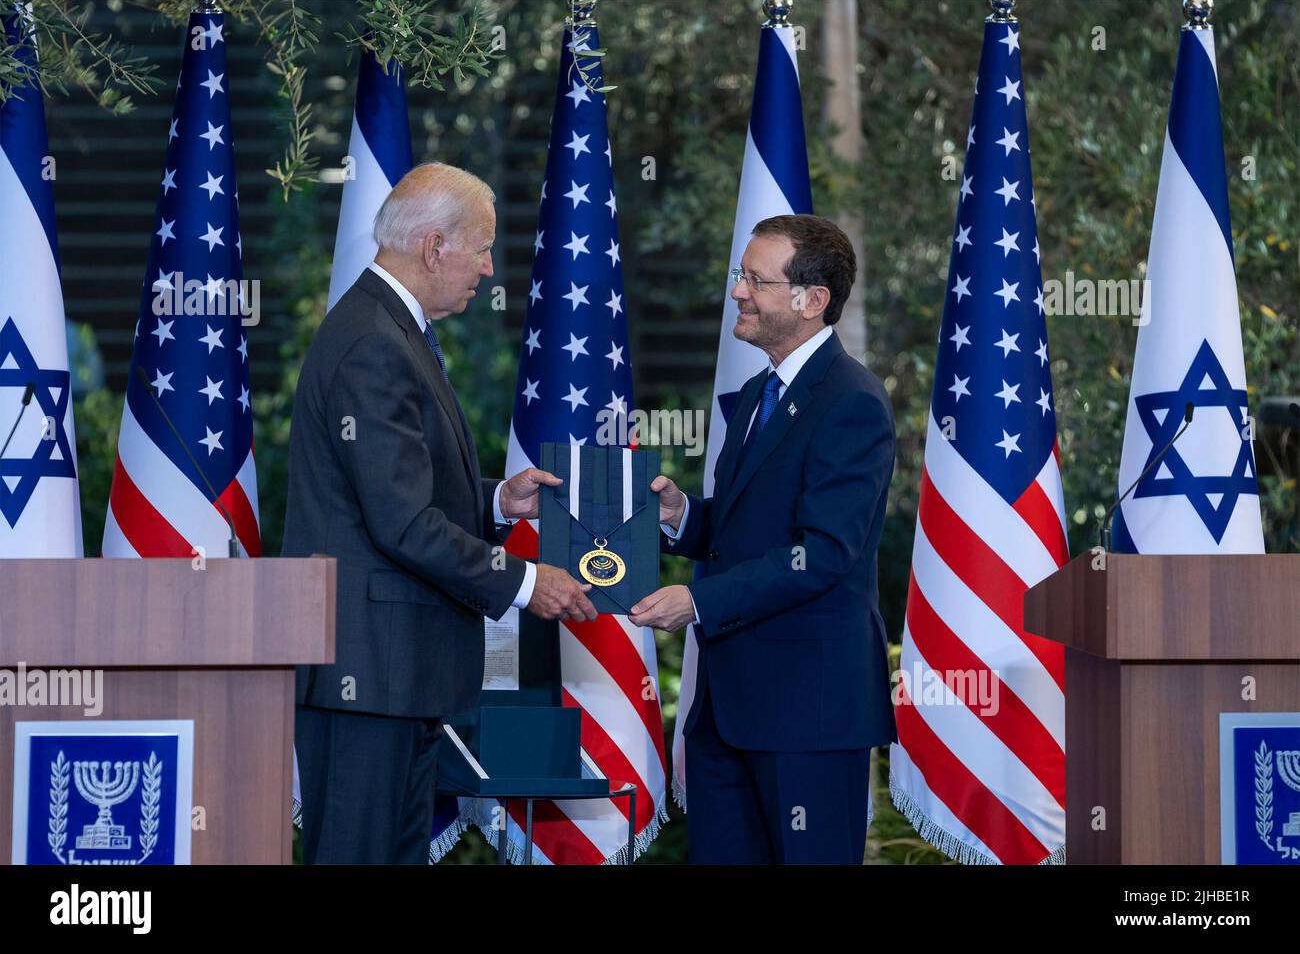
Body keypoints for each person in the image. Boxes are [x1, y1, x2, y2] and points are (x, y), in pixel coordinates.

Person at [284, 162, 597, 864]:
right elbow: (401, 524)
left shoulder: (388, 326)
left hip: (392, 676)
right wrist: (524, 581)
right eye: (481, 248)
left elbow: (393, 489)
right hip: (367, 676)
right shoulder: (374, 341)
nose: (488, 269)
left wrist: (493, 499)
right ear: (433, 247)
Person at [630, 214, 896, 864]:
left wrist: (699, 603)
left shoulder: (851, 401)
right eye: (739, 276)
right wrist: (681, 516)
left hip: (807, 713)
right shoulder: (756, 393)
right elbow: (755, 527)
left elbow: (824, 551)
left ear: (811, 300)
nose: (738, 292)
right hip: (728, 710)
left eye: (755, 279)